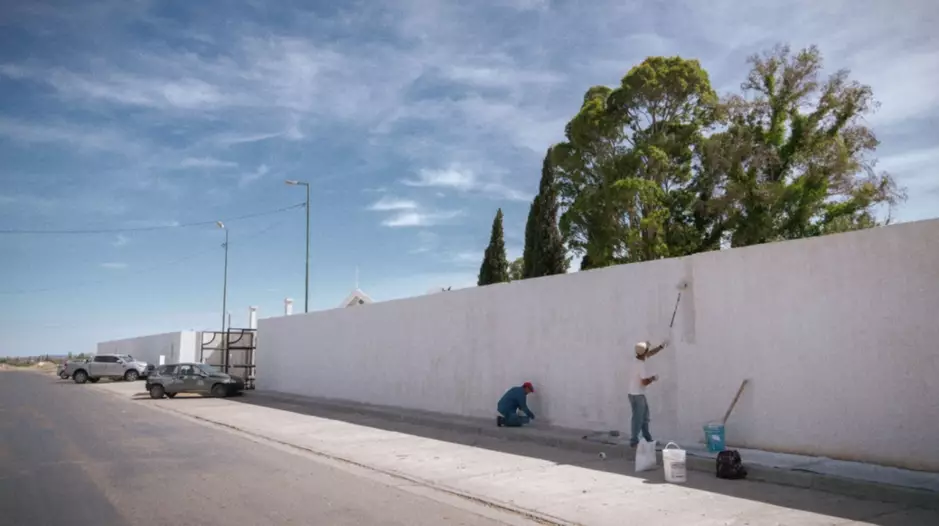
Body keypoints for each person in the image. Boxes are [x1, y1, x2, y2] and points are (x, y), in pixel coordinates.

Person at [629, 340, 668, 447]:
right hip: (637, 395)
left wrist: (660, 347)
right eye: (647, 349)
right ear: (644, 352)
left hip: (635, 394)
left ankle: (647, 439)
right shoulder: (640, 365)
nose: (648, 351)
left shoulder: (636, 359)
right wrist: (653, 378)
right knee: (638, 419)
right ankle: (634, 441)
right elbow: (644, 382)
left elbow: (649, 354)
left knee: (644, 417)